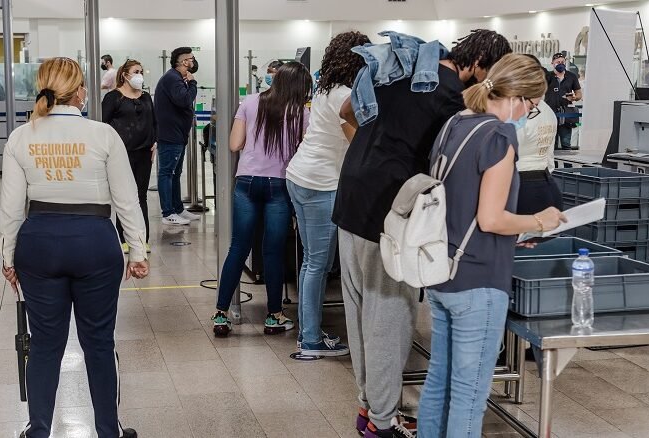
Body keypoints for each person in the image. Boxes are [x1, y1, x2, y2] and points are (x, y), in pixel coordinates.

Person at [333, 29, 512, 438]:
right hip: (387, 214)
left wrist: (373, 153)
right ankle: (381, 423)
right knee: (388, 321)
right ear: (480, 62)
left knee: (360, 314)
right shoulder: (450, 100)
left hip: (350, 198)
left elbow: (348, 110)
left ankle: (370, 409)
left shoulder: (399, 72)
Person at [417, 53, 566, 438]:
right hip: (478, 281)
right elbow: (490, 218)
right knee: (469, 393)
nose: (527, 114)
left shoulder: (455, 123)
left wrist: (516, 234)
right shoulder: (499, 135)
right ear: (519, 98)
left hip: (441, 271)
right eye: (532, 107)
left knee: (440, 381)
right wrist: (538, 220)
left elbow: (462, 205)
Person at [0, 57, 149, 438]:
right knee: (98, 342)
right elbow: (127, 199)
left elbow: (11, 209)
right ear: (80, 90)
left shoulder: (21, 137)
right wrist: (138, 251)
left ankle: (38, 431)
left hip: (39, 244)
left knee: (45, 345)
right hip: (95, 242)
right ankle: (108, 431)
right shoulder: (103, 135)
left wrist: (8, 257)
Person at [211, 61, 312, 337]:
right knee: (273, 252)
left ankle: (221, 314)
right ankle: (274, 316)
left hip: (246, 183)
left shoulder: (250, 102)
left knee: (238, 248)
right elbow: (304, 150)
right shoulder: (301, 113)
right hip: (279, 185)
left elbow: (234, 144)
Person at [285, 31, 370, 357]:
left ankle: (309, 331)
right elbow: (359, 139)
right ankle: (311, 341)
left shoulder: (325, 88)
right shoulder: (345, 96)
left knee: (311, 261)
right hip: (321, 184)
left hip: (300, 175)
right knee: (319, 263)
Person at [103, 59, 156, 253]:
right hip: (121, 153)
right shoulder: (113, 98)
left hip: (144, 152)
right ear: (125, 75)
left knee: (141, 196)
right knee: (125, 197)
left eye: (141, 71)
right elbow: (103, 124)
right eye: (136, 71)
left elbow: (154, 122)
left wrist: (155, 141)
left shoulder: (146, 97)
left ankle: (142, 238)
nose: (139, 75)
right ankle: (124, 237)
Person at [154, 46, 201, 225]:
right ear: (183, 62)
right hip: (170, 134)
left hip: (177, 134)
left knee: (175, 173)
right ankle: (168, 213)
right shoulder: (173, 78)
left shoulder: (176, 78)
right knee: (167, 172)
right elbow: (184, 100)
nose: (193, 62)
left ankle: (178, 209)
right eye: (190, 58)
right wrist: (193, 83)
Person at [516, 54, 562, 215]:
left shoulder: (520, 112)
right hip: (547, 183)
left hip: (522, 188)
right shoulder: (548, 110)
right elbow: (550, 157)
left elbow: (507, 156)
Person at [545, 52, 582, 150]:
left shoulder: (571, 76)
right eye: (557, 62)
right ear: (552, 63)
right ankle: (554, 165)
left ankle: (567, 165)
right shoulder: (548, 76)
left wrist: (574, 97)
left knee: (566, 144)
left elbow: (579, 94)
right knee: (552, 144)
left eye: (562, 61)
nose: (560, 63)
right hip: (550, 113)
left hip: (566, 114)